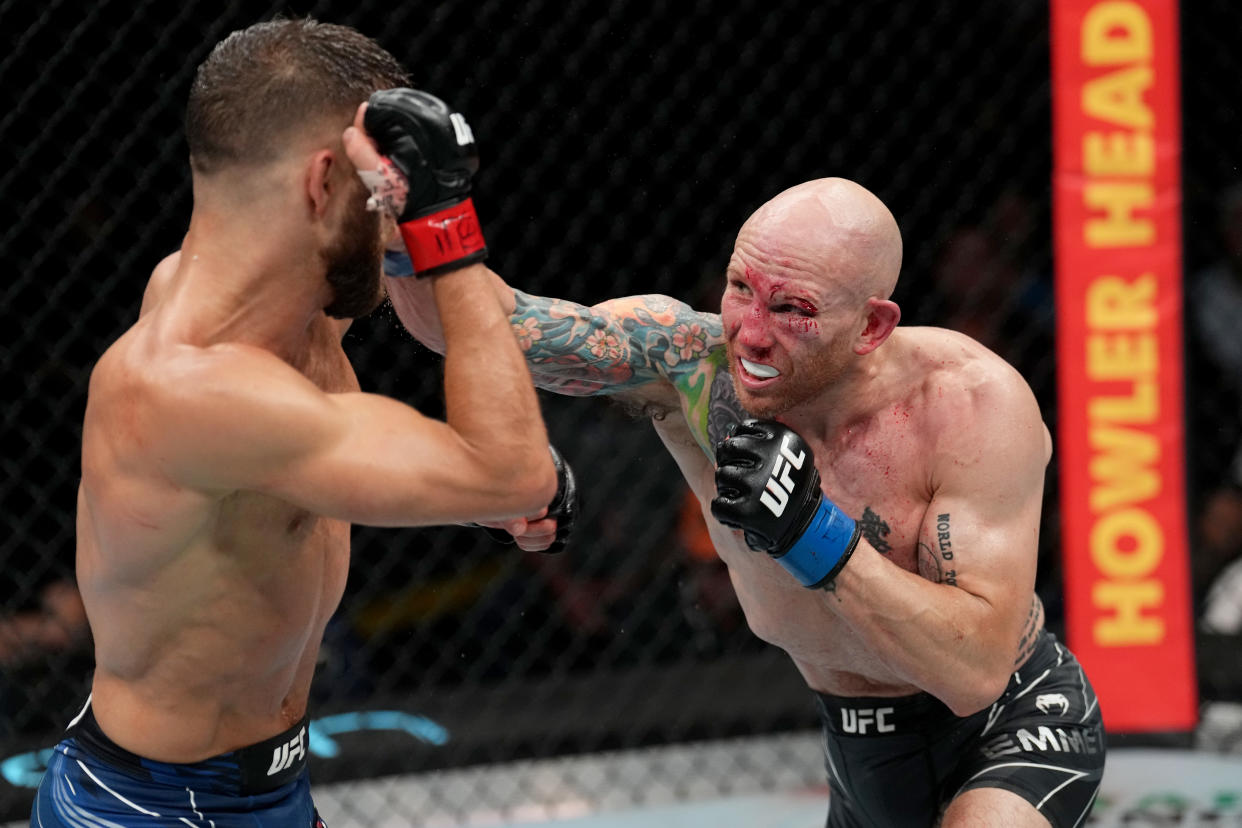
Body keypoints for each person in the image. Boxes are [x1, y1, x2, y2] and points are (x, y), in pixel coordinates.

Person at [384, 178, 1106, 827]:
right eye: (740, 289)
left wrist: (811, 534)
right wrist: (412, 219)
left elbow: (973, 671)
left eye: (792, 309)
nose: (751, 334)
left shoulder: (966, 404)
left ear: (872, 327)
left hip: (1008, 724)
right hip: (858, 746)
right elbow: (481, 332)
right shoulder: (690, 367)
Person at [31, 20, 570, 827]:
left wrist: (471, 494)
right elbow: (514, 468)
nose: (394, 212)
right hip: (151, 811)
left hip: (270, 791)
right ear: (322, 184)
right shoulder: (191, 388)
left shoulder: (280, 308)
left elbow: (325, 478)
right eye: (377, 190)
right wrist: (446, 221)